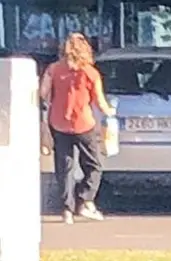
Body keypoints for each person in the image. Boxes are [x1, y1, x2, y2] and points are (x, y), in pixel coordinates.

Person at [39, 33, 115, 224]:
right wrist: (111, 111)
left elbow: (42, 94)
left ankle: (66, 210)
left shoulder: (53, 69)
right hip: (83, 124)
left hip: (58, 122)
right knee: (93, 165)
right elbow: (99, 102)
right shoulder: (90, 73)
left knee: (65, 167)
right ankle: (86, 200)